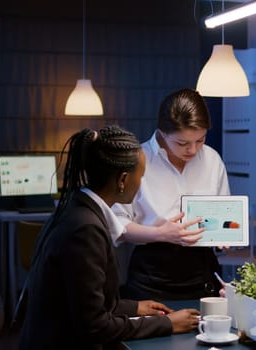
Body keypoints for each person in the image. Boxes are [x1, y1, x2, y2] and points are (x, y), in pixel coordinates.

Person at [19, 126, 200, 349]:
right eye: (141, 177)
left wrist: (134, 308)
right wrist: (166, 323)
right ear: (123, 179)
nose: (142, 184)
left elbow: (84, 301)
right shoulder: (85, 229)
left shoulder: (75, 208)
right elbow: (95, 326)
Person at [114, 88, 229, 300]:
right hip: (151, 275)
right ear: (162, 132)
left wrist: (222, 233)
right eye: (182, 143)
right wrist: (161, 234)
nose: (192, 150)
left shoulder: (212, 159)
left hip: (202, 271)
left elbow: (222, 212)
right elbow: (117, 224)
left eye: (200, 140)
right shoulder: (138, 160)